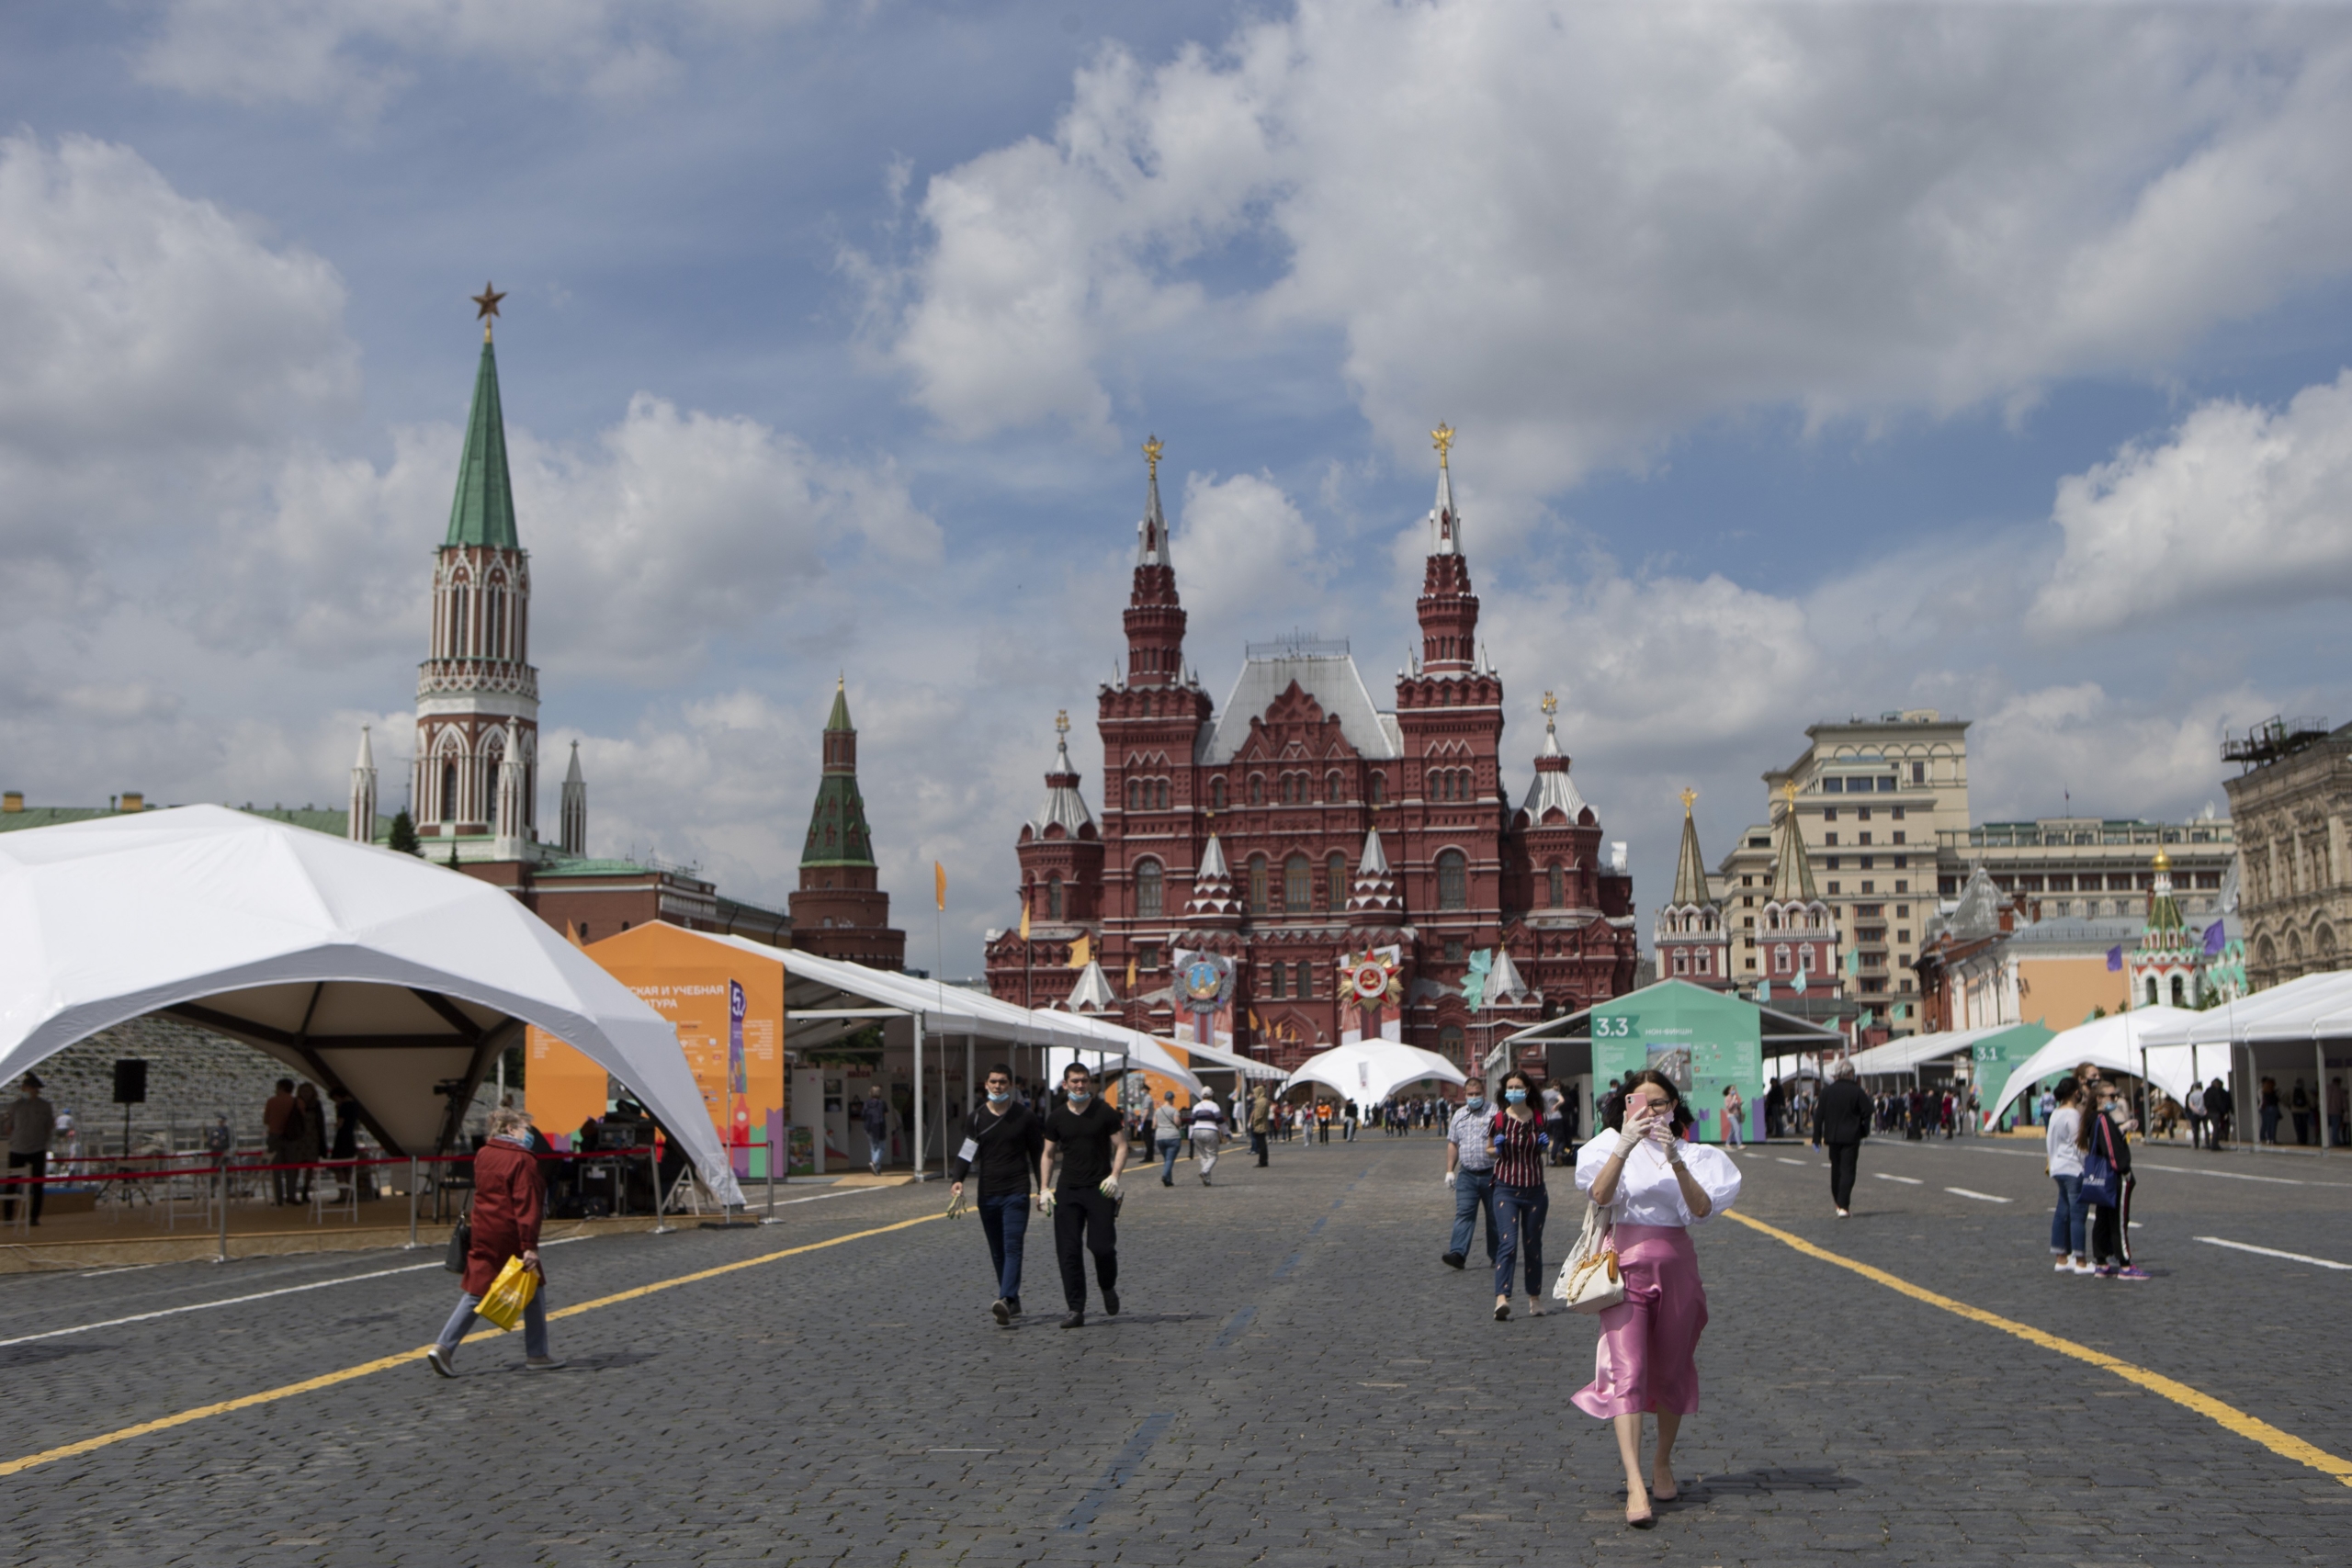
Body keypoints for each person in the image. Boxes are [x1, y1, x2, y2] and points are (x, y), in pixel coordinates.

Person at [1573, 1068, 1743, 1529]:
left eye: (1660, 1103)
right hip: (1623, 1267)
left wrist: (1675, 1158)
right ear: (1625, 1106)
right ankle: (1633, 1482)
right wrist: (1626, 1145)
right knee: (1626, 1370)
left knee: (1670, 1368)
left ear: (1674, 1107)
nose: (1651, 1111)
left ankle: (1662, 1460)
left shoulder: (1694, 1153)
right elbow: (1600, 1192)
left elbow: (1703, 1209)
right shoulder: (1607, 1146)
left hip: (1677, 1266)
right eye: (1640, 1102)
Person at [426, 1107, 560, 1375]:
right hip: (510, 1232)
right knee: (533, 1284)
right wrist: (529, 1245)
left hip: (484, 1228)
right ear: (511, 1129)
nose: (529, 1134)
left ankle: (444, 1346)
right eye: (525, 1128)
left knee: (478, 1288)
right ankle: (537, 1353)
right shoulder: (523, 1160)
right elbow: (527, 1205)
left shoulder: (484, 1154)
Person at [948, 1064, 1046, 1325]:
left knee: (1012, 1246)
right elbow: (967, 1152)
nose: (997, 1086)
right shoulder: (977, 1118)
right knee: (997, 1251)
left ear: (1011, 1085)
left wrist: (1043, 1188)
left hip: (1016, 1191)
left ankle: (1004, 1298)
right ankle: (1012, 1301)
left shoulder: (1025, 1117)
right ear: (986, 1084)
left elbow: (1038, 1155)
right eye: (993, 1082)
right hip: (988, 1194)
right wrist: (958, 1179)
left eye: (1002, 1082)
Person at [1039, 1062, 1128, 1328]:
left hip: (1100, 1189)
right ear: (1065, 1084)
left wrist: (1114, 1176)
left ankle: (1107, 1285)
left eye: (1084, 1081)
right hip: (1068, 1190)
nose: (1080, 1085)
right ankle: (1075, 1309)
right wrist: (1043, 1188)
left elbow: (1122, 1146)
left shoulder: (1105, 1112)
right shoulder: (1056, 1118)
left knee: (1101, 1246)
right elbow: (1047, 1154)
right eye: (1075, 1081)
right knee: (1068, 1251)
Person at [1487, 1070, 1551, 1321]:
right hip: (1506, 1187)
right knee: (1508, 1242)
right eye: (1509, 1087)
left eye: (1518, 1086)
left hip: (1535, 1189)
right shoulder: (1500, 1119)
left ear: (1527, 1090)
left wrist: (1546, 1144)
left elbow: (1548, 1145)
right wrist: (1497, 1148)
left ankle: (1534, 1298)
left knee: (1533, 1245)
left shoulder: (1538, 1117)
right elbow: (1489, 1148)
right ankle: (1501, 1298)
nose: (1513, 1090)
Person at [2085, 1084, 2145, 1280]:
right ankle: (2125, 1264)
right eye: (2112, 1096)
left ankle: (2101, 1261)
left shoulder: (2095, 1119)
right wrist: (2125, 1170)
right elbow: (2111, 1149)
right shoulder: (2102, 1119)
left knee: (2102, 1219)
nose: (2115, 1099)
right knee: (2118, 1220)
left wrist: (2123, 1128)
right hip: (2114, 1177)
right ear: (2099, 1098)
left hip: (2102, 1177)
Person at [1441, 1082, 1499, 1271]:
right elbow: (1453, 1144)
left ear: (1484, 1092)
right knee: (1464, 1213)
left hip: (1492, 1172)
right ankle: (1458, 1253)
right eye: (1470, 1094)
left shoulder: (1495, 1112)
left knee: (1495, 1216)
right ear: (1464, 1094)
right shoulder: (1459, 1115)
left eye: (1477, 1093)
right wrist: (1450, 1170)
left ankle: (1498, 1255)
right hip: (1467, 1174)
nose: (1474, 1097)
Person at [1811, 1060, 1871, 1217]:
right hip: (1851, 1136)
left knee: (1836, 1170)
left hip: (1833, 1136)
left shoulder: (1827, 1092)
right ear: (1850, 1074)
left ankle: (1838, 1201)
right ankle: (1843, 1205)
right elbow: (1868, 1111)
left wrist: (1816, 1138)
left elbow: (1818, 1117)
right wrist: (1863, 1130)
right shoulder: (1857, 1091)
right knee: (1848, 1170)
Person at [2046, 1077, 2090, 1274]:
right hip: (2073, 1168)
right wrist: (2087, 1166)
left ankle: (2061, 1258)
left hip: (2058, 1167)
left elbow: (2049, 1141)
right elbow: (2079, 1144)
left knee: (2062, 1212)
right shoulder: (2073, 1115)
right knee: (2078, 1215)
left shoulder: (2055, 1113)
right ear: (2075, 1093)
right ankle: (2080, 1260)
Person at [1, 1076, 56, 1226]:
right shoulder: (16, 1106)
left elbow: (49, 1125)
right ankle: (8, 1216)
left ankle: (34, 1217)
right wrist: (16, 1138)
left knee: (38, 1184)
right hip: (18, 1149)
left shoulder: (45, 1106)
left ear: (34, 1089)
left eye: (26, 1087)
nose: (23, 1090)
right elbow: (8, 1126)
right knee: (12, 1183)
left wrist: (42, 1140)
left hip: (37, 1148)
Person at [263, 1077, 300, 1206]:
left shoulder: (272, 1101)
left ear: (281, 1088)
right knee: (291, 1168)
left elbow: (266, 1120)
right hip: (292, 1138)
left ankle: (278, 1198)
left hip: (275, 1136)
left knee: (276, 1169)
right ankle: (291, 1195)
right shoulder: (297, 1102)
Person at [1188, 1089, 1225, 1185]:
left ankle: (1207, 1180)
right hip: (1211, 1131)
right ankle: (1205, 1171)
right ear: (1212, 1095)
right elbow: (1220, 1120)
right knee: (1213, 1156)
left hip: (1197, 1131)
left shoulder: (1196, 1106)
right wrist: (1227, 1132)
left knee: (1203, 1156)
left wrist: (1190, 1136)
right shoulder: (1214, 1106)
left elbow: (1191, 1122)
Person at [1152, 1091, 1184, 1186]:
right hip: (1172, 1136)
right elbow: (1177, 1122)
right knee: (1170, 1159)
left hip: (1160, 1137)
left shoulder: (1157, 1111)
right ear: (1172, 1099)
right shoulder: (1174, 1110)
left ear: (1164, 1098)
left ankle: (1169, 1181)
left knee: (1167, 1159)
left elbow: (1154, 1125)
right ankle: (1165, 1175)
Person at [861, 1087, 895, 1174]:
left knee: (873, 1148)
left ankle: (877, 1169)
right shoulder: (882, 1103)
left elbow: (863, 1115)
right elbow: (886, 1113)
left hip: (869, 1127)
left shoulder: (866, 1103)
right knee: (882, 1147)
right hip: (880, 1127)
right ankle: (875, 1163)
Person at [1250, 1087, 1272, 1167]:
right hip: (1263, 1123)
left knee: (1261, 1143)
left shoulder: (1260, 1102)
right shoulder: (1265, 1100)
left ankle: (1262, 1161)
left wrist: (1254, 1123)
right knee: (1263, 1143)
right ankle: (1264, 1160)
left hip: (1259, 1124)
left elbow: (1258, 1114)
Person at [1719, 1084, 1745, 1151]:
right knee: (1737, 1129)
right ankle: (1739, 1144)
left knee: (1732, 1131)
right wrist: (1733, 1100)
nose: (1733, 1091)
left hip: (1736, 1115)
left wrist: (1739, 1104)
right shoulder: (1727, 1098)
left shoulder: (1735, 1097)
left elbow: (1737, 1107)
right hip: (1731, 1115)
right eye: (1732, 1089)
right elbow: (1729, 1107)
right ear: (1728, 1091)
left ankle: (1727, 1143)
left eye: (1734, 1089)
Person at [2290, 1078, 2314, 1146]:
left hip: (2295, 1111)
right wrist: (2312, 1106)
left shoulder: (2291, 1090)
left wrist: (2290, 1106)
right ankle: (2304, 1140)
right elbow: (2311, 1099)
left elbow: (2284, 1099)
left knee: (2297, 1126)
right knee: (2304, 1125)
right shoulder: (2306, 1090)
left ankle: (2299, 1139)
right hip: (2305, 1110)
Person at [2258, 1077, 2281, 1145]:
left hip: (2265, 1109)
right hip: (2273, 1108)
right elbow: (2277, 1100)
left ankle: (2267, 1138)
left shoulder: (2263, 1091)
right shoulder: (2273, 1092)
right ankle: (2273, 1139)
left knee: (2267, 1124)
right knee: (2273, 1125)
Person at [2186, 1080, 2207, 1150]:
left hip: (2195, 1114)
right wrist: (2203, 1111)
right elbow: (2206, 1104)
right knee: (2205, 1128)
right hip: (2203, 1113)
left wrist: (2196, 1110)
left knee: (2196, 1129)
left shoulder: (2192, 1095)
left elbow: (2191, 1105)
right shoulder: (2203, 1094)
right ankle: (2207, 1143)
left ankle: (2196, 1144)